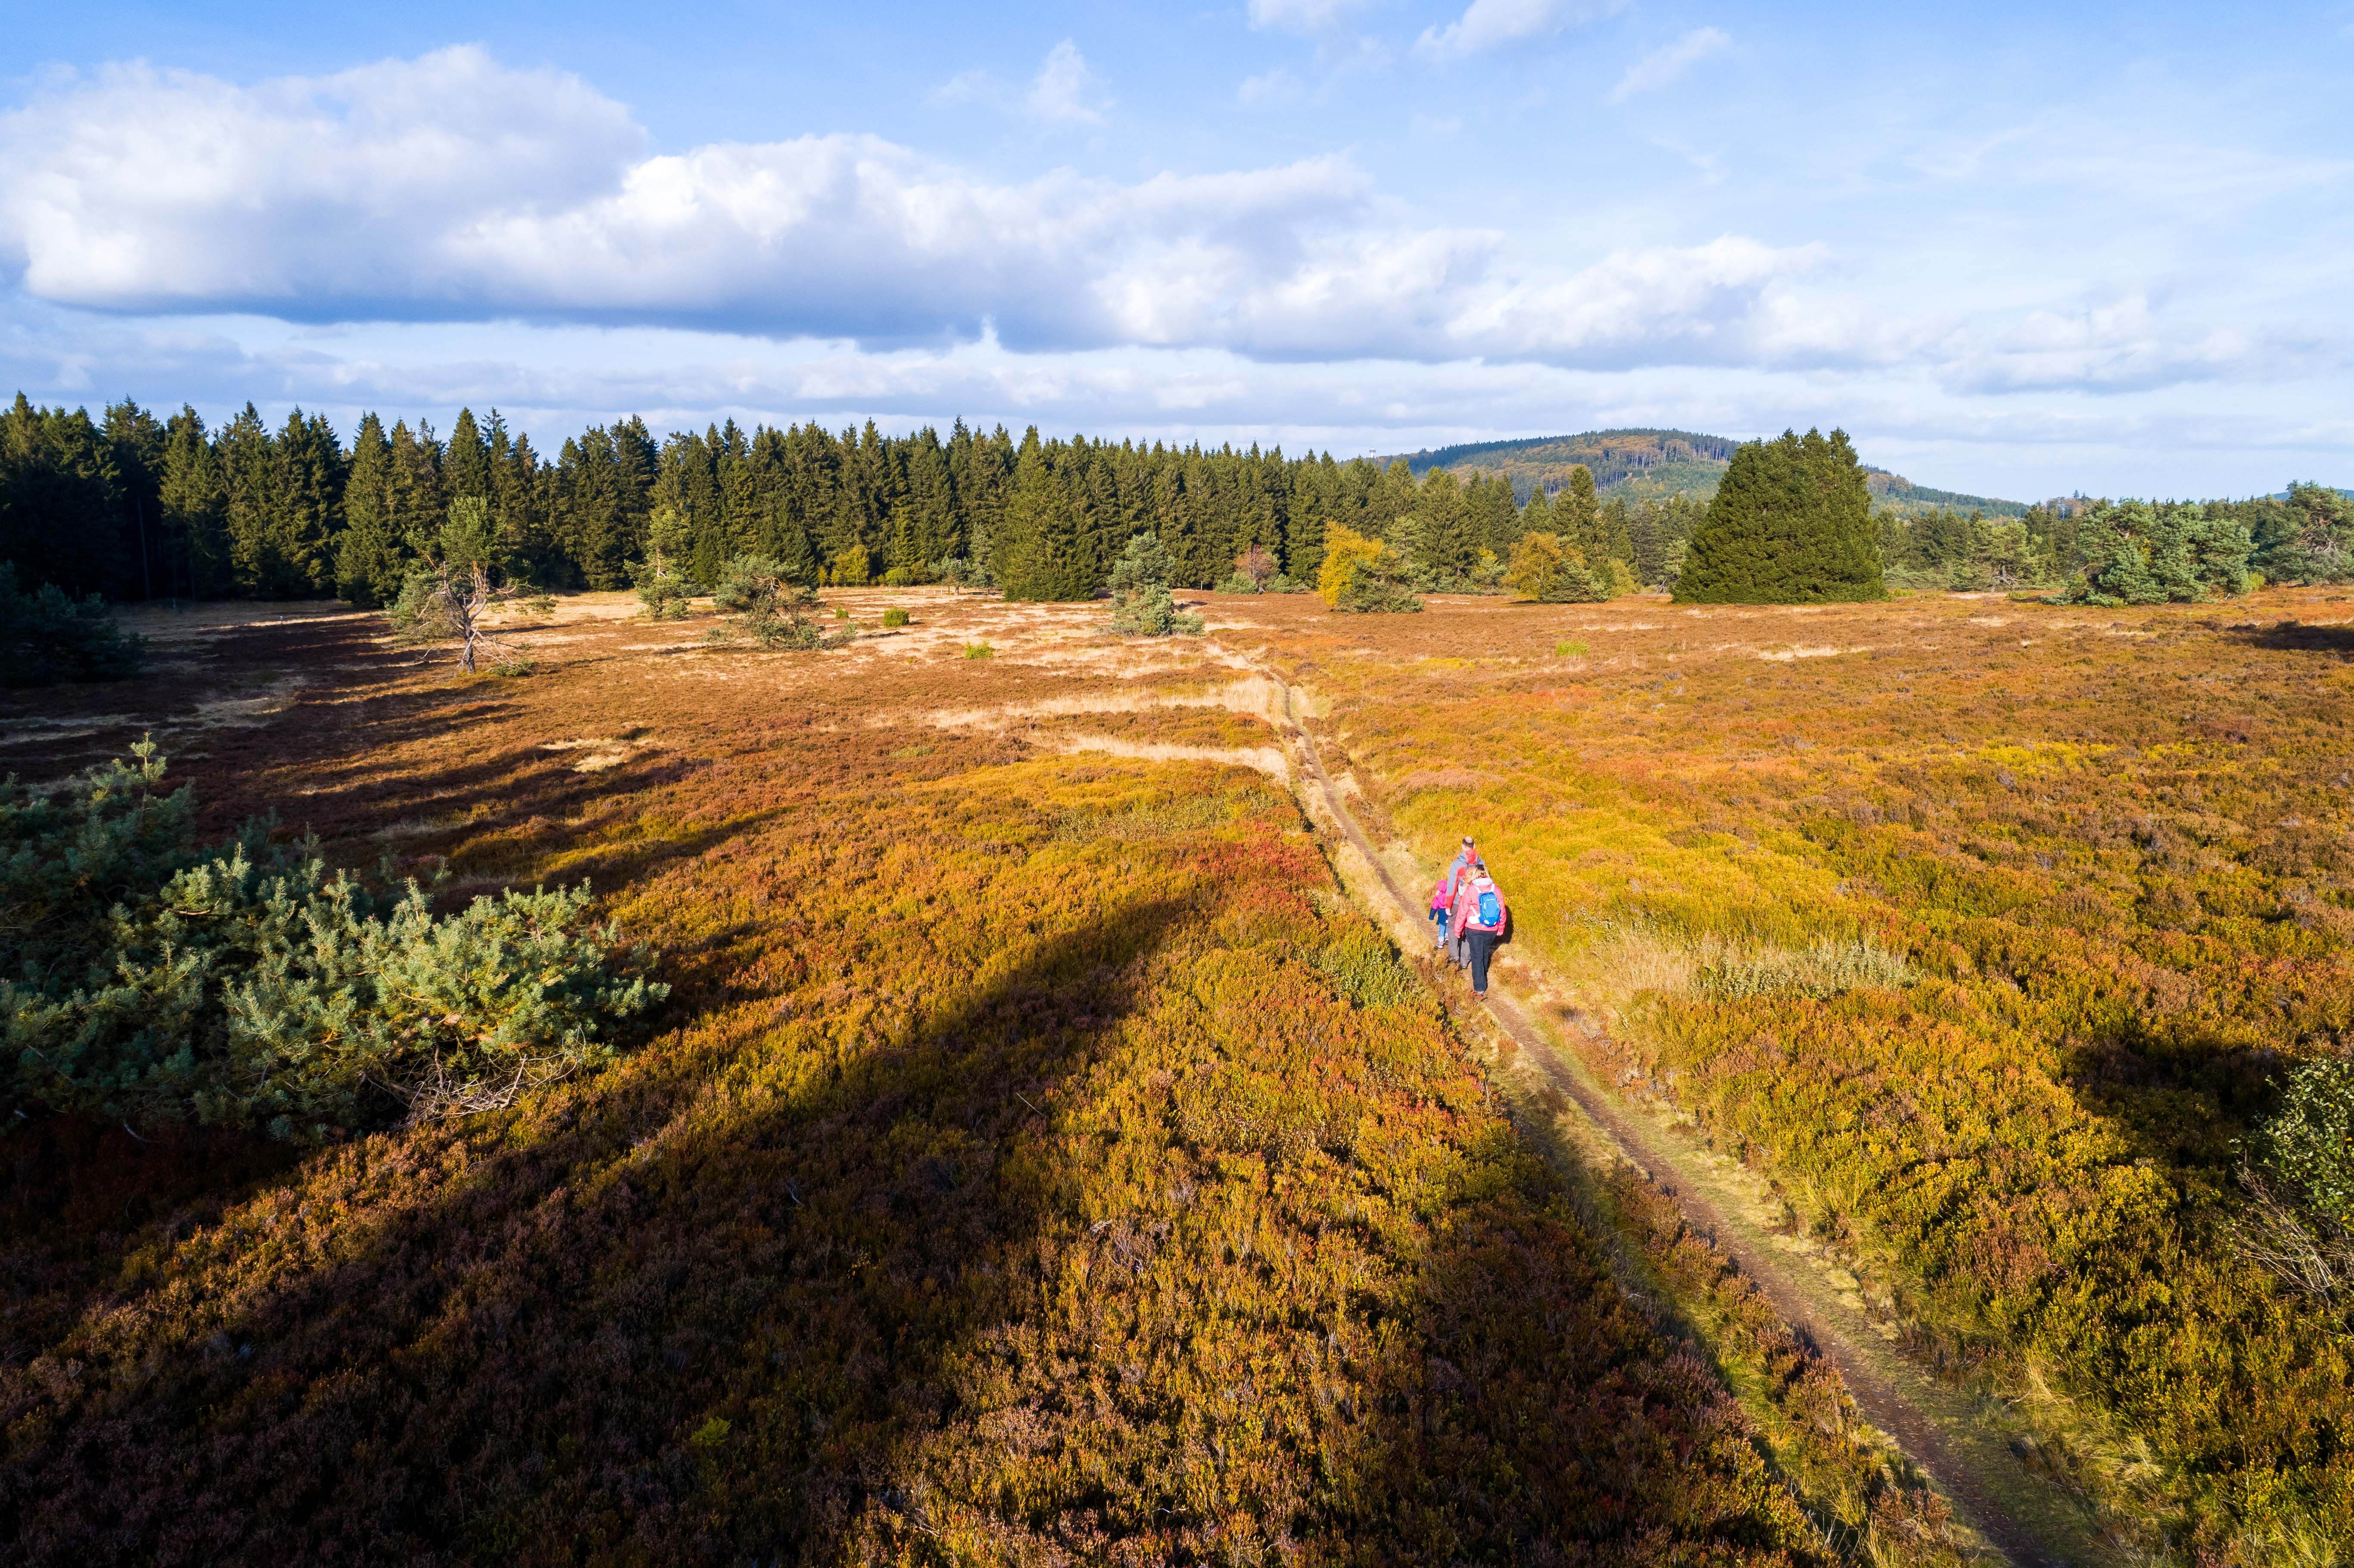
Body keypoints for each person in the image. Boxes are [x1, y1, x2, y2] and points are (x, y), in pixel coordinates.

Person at [1449, 858, 1509, 999]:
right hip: (1491, 929)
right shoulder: (1496, 889)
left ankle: (1480, 987)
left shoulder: (1471, 890)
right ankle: (1482, 975)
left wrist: (1457, 930)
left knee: (1476, 956)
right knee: (1484, 953)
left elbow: (1463, 912)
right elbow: (1502, 912)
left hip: (1474, 930)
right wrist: (1500, 929)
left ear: (1475, 875)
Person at [1438, 836, 1478, 966]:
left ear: (1463, 846)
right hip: (1473, 904)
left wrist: (1448, 905)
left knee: (1452, 925)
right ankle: (1465, 961)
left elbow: (1452, 886)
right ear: (1474, 846)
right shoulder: (1481, 864)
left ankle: (1454, 956)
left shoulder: (1457, 864)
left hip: (1457, 902)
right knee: (1469, 929)